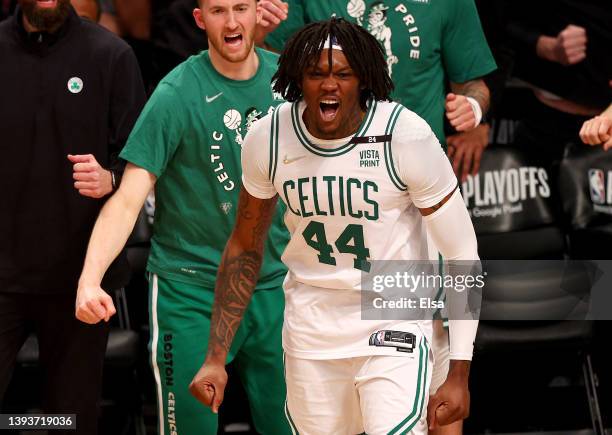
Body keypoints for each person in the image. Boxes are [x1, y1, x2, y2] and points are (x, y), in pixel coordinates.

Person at [191, 19, 480, 435]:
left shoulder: (404, 135)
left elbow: (462, 252)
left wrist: (459, 372)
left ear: (363, 80)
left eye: (343, 74)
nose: (329, 85)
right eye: (316, 74)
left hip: (394, 310)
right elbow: (245, 246)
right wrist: (216, 356)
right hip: (312, 319)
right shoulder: (268, 138)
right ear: (297, 79)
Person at [75, 0, 291, 434]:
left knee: (291, 425)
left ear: (257, 13)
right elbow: (128, 199)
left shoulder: (289, 82)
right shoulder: (175, 94)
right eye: (217, 11)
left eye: (240, 8)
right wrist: (89, 278)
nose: (231, 22)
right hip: (192, 290)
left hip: (277, 285)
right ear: (199, 20)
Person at [0, 1, 145, 434]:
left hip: (81, 281)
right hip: (1, 276)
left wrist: (111, 178)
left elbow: (142, 165)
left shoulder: (111, 55)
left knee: (69, 420)